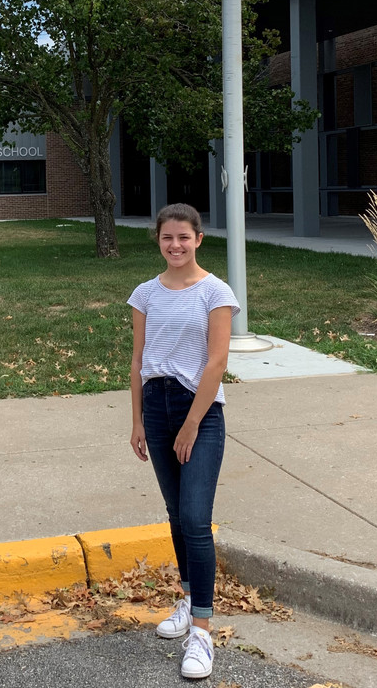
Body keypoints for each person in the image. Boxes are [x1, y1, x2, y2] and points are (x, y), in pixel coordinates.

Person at [128, 203, 239, 680]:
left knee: (195, 518)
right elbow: (138, 360)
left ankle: (202, 632)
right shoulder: (145, 294)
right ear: (158, 240)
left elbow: (216, 363)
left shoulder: (215, 292)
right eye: (167, 238)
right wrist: (137, 420)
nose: (175, 245)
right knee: (176, 515)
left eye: (184, 237)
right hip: (156, 408)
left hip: (201, 411)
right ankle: (189, 597)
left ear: (199, 239)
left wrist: (193, 422)